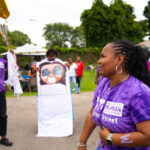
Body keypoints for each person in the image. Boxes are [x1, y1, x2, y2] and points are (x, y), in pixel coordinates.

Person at [77, 40, 150, 150]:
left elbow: (147, 137)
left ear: (120, 59)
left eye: (103, 56)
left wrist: (111, 138)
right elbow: (92, 113)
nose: (99, 61)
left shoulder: (138, 92)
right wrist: (82, 143)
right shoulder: (103, 84)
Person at [0, 50, 14, 146]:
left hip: (1, 91)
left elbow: (12, 67)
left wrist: (13, 55)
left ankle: (3, 138)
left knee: (3, 115)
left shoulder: (2, 61)